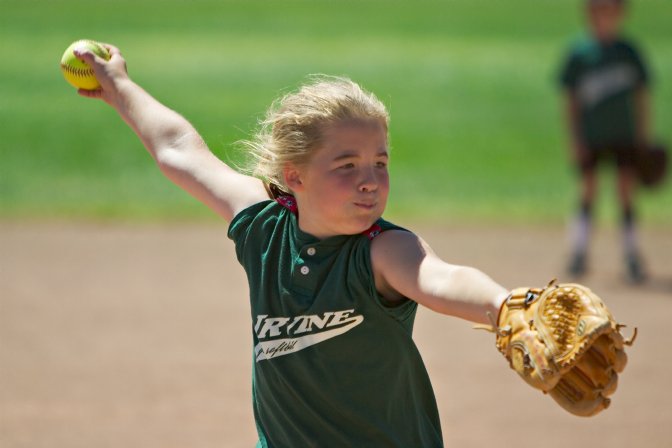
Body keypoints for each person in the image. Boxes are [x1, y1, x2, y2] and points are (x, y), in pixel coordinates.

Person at [74, 43, 509, 447]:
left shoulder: (383, 250)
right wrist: (120, 87)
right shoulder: (263, 227)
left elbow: (441, 278)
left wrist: (505, 305)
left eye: (380, 162)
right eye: (347, 165)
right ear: (295, 176)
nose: (370, 180)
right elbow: (177, 147)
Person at [558, 0, 651, 283]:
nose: (605, 15)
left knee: (625, 189)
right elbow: (570, 102)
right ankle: (578, 251)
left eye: (611, 9)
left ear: (622, 13)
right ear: (589, 13)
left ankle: (632, 253)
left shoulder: (628, 52)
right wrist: (574, 139)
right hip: (592, 136)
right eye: (599, 9)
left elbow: (641, 98)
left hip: (623, 135)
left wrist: (643, 136)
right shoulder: (580, 54)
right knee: (588, 190)